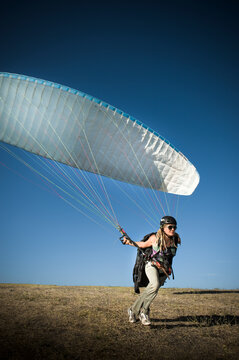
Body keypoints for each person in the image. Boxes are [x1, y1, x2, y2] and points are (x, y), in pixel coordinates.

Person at [123, 216, 181, 326]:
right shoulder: (155, 237)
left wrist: (168, 269)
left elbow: (170, 257)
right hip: (152, 265)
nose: (173, 229)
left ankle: (132, 310)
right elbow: (142, 244)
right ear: (163, 227)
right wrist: (129, 242)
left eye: (174, 227)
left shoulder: (175, 239)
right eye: (170, 227)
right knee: (154, 285)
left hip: (164, 269)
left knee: (152, 290)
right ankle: (143, 312)